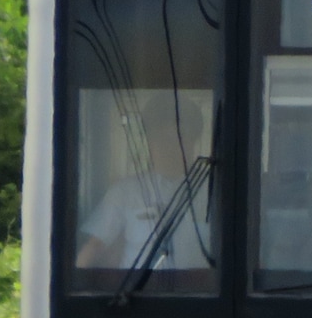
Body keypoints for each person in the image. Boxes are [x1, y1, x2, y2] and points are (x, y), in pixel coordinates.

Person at [76, 92, 211, 270]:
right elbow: (95, 247)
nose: (170, 147)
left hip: (199, 294)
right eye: (161, 139)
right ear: (149, 141)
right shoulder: (124, 192)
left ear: (192, 140)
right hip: (136, 295)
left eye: (178, 138)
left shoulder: (212, 191)